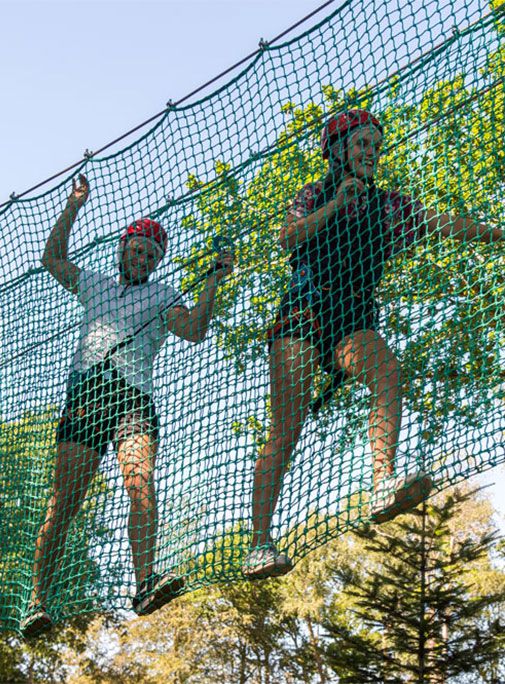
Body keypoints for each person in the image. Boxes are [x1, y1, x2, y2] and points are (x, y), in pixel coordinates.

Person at [243, 109, 504, 580]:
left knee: (387, 372)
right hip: (305, 309)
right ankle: (259, 544)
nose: (371, 153)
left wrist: (497, 235)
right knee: (286, 428)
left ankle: (382, 483)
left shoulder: (389, 206)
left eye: (375, 146)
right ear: (338, 150)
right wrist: (335, 206)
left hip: (353, 316)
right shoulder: (314, 194)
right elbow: (288, 237)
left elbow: (439, 222)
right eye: (362, 144)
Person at [21, 174, 234, 636]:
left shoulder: (163, 295)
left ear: (157, 263)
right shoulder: (93, 284)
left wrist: (213, 281)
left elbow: (195, 329)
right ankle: (36, 600)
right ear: (123, 249)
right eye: (137, 249)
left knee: (141, 482)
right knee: (65, 502)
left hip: (132, 399)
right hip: (84, 397)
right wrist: (74, 205)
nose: (143, 257)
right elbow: (52, 257)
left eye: (152, 255)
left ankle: (145, 584)